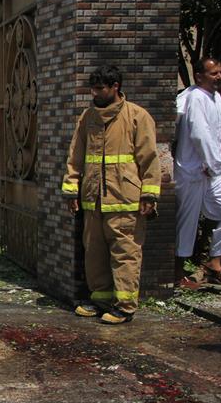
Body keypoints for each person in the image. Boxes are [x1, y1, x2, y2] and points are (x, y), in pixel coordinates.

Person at [62, 65, 160, 324]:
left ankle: (125, 306)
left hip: (125, 199)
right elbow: (75, 157)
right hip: (93, 200)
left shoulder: (137, 116)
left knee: (125, 252)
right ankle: (101, 299)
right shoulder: (88, 117)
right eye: (93, 88)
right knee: (94, 253)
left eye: (100, 88)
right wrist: (71, 190)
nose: (95, 93)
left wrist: (149, 195)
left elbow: (149, 158)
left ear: (115, 86)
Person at [175, 57, 221, 286]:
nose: (218, 77)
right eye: (213, 73)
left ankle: (214, 262)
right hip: (193, 170)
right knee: (187, 222)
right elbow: (199, 134)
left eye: (219, 72)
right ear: (199, 77)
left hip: (213, 168)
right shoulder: (195, 97)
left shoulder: (216, 99)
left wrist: (216, 165)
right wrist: (213, 164)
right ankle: (177, 272)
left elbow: (220, 135)